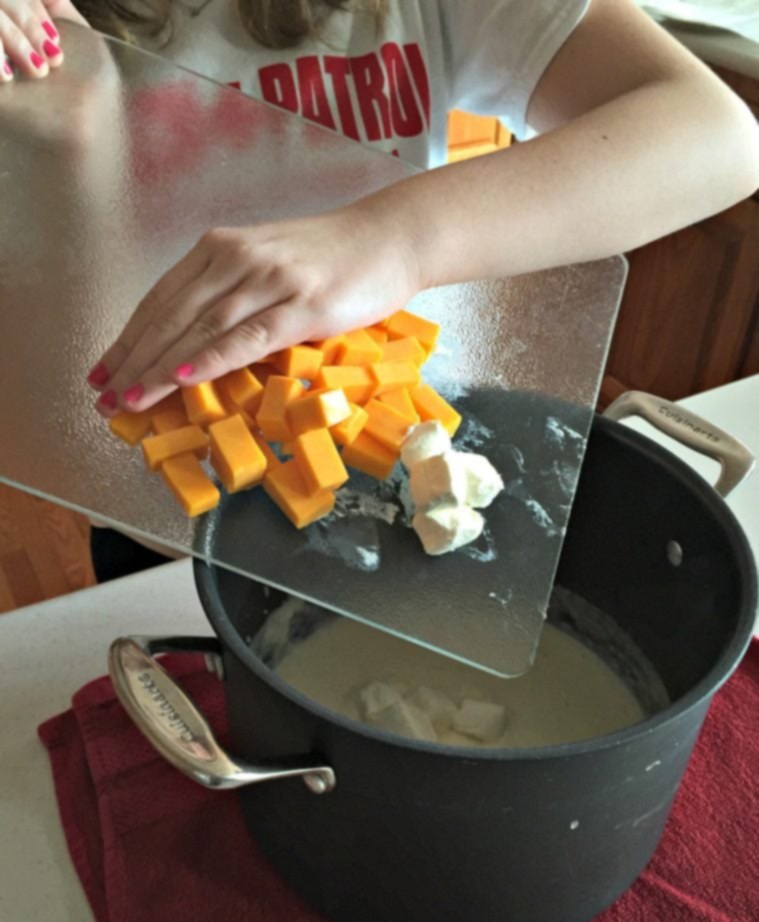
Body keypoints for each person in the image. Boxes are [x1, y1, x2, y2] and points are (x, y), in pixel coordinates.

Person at [3, 0, 757, 578]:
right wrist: (70, 139)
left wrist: (394, 238)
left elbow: (717, 135)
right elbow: (56, 387)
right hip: (162, 510)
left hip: (411, 462)